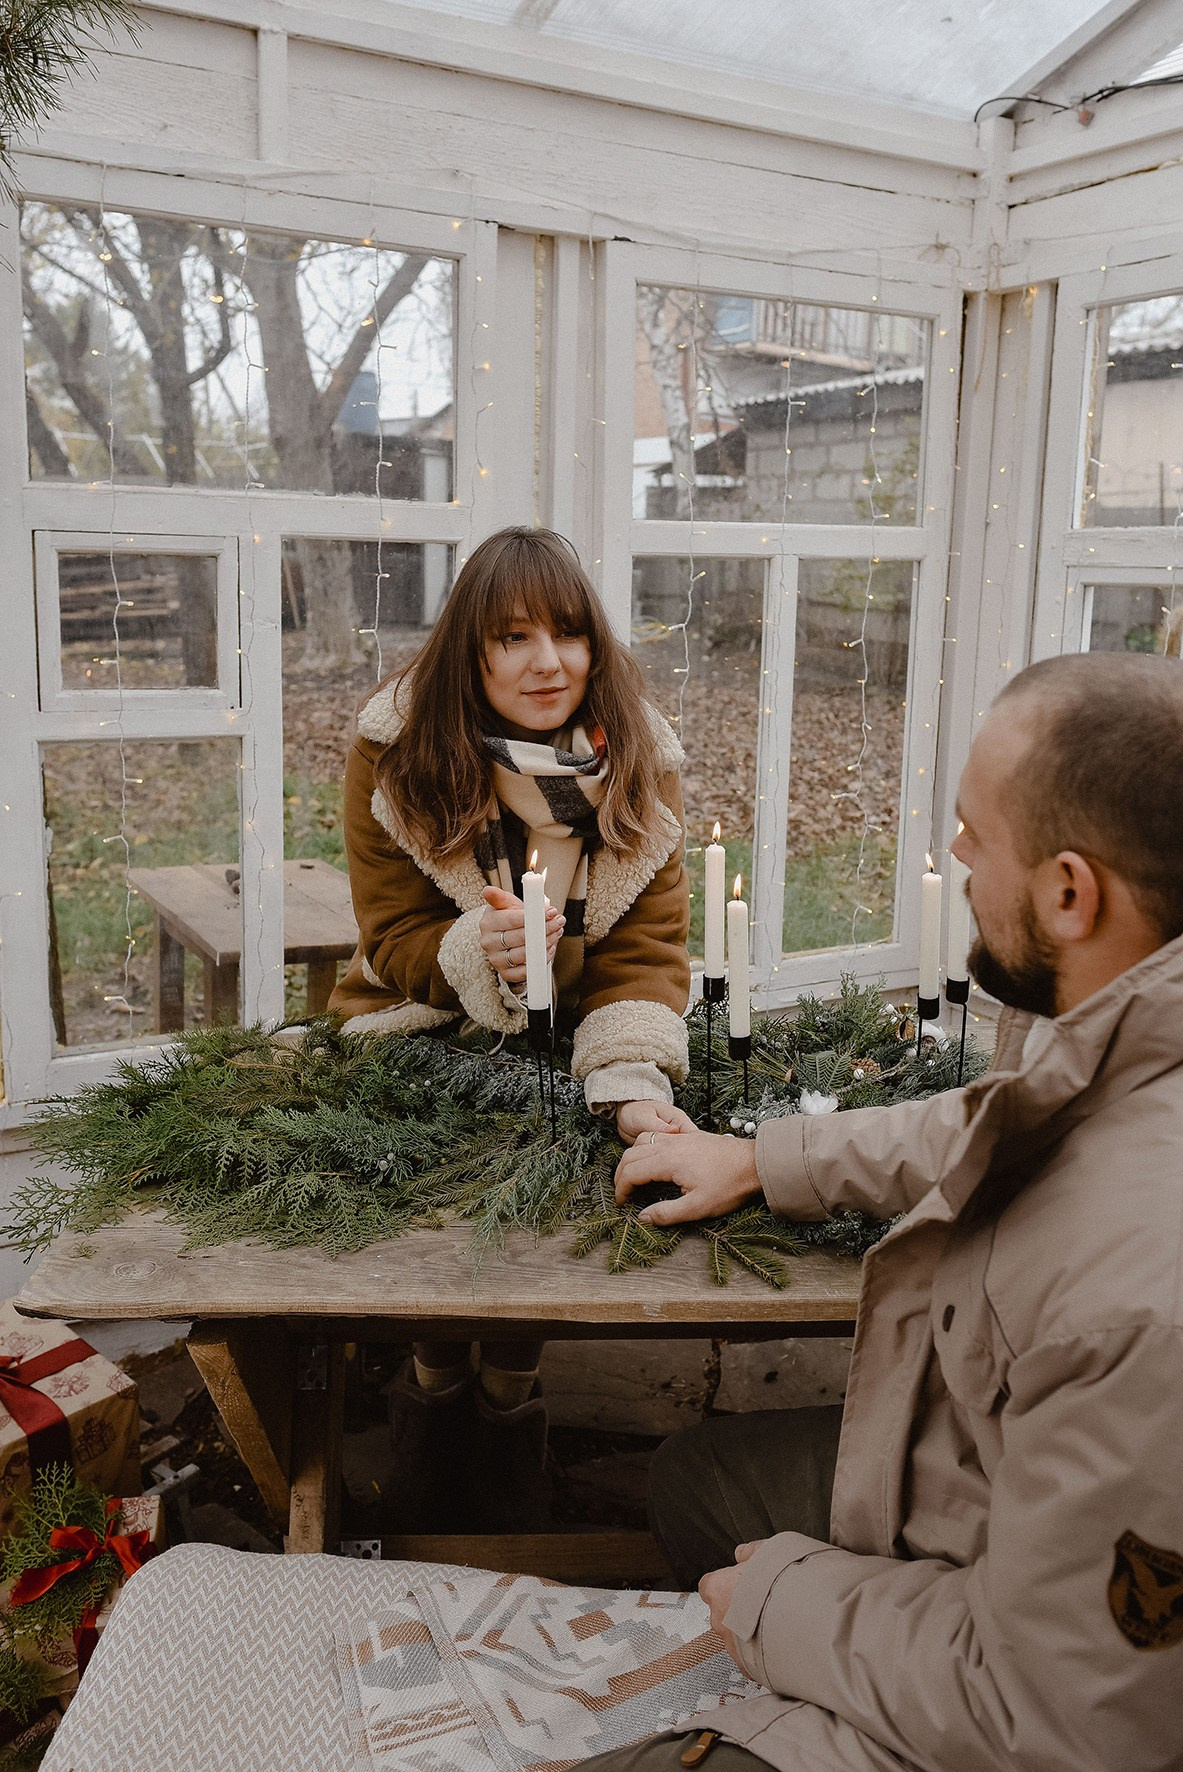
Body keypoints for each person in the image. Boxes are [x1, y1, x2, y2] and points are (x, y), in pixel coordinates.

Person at [584, 651, 1183, 1772]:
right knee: (696, 1477)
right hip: (1005, 1478)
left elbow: (1069, 1719)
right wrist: (765, 1156)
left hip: (1037, 1677)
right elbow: (995, 1121)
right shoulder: (1130, 1021)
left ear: (1069, 889)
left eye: (973, 831)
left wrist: (784, 1603)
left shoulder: (1142, 1319)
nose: (953, 855)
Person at [329, 525, 693, 1529]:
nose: (549, 662)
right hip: (422, 1021)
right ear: (470, 649)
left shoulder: (637, 762)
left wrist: (626, 1078)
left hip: (573, 1029)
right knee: (444, 1206)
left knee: (557, 1181)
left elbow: (644, 951)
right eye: (516, 636)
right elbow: (389, 929)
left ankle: (507, 1420)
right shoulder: (397, 755)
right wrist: (467, 956)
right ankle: (430, 1402)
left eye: (570, 634)